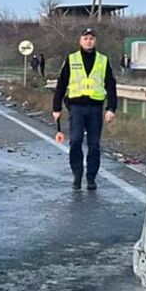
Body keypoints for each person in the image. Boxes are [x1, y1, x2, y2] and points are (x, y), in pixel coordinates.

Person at [52, 28, 117, 190]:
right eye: (86, 38)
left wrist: (111, 108)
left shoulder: (102, 60)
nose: (89, 41)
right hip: (77, 107)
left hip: (95, 109)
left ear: (95, 41)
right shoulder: (72, 59)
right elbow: (61, 84)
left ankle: (91, 178)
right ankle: (77, 175)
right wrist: (56, 107)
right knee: (75, 141)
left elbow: (111, 85)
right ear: (80, 41)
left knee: (94, 144)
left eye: (91, 38)